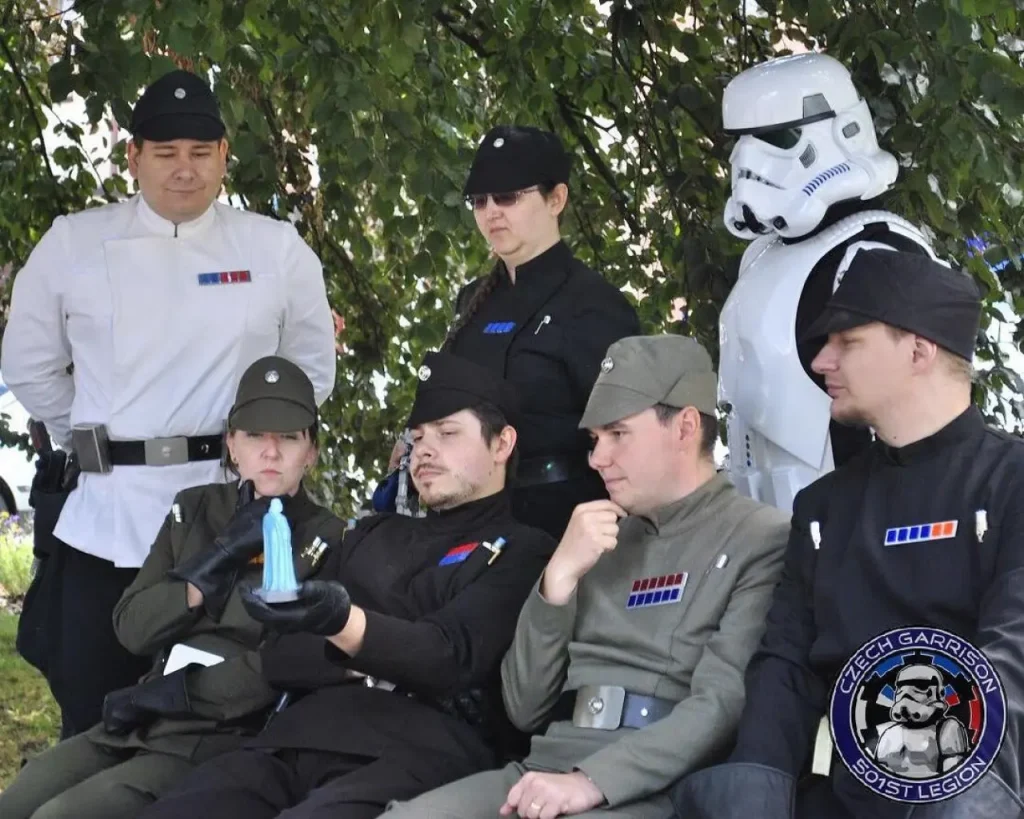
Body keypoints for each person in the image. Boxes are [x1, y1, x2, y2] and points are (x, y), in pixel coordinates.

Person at [1, 67, 336, 736]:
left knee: (220, 725)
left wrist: (253, 451)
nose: (185, 170)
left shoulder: (275, 250)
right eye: (165, 153)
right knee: (94, 719)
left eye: (200, 152)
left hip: (228, 518)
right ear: (133, 157)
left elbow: (308, 375)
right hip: (108, 519)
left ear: (223, 156)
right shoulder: (73, 243)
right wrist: (93, 437)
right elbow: (28, 365)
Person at [674, 249, 1024, 819]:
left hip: (978, 790)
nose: (821, 361)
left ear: (919, 351)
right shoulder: (823, 509)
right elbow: (784, 667)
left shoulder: (1011, 482)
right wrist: (756, 785)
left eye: (848, 341)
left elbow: (1013, 658)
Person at [136, 351, 557, 819]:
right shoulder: (371, 534)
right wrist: (379, 654)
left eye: (447, 433)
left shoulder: (525, 550)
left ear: (502, 444)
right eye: (418, 437)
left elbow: (447, 655)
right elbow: (282, 654)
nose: (424, 450)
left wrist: (342, 623)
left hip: (416, 752)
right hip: (295, 738)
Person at [385, 334, 790, 819]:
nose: (597, 459)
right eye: (596, 440)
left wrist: (593, 781)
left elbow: (720, 705)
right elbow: (525, 707)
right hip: (547, 766)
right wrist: (556, 582)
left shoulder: (758, 536)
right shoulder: (594, 537)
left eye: (618, 434)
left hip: (650, 787)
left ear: (684, 427)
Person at [0, 356, 345, 819]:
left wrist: (174, 694)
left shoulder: (328, 539)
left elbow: (280, 666)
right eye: (254, 435)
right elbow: (132, 627)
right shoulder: (195, 509)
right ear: (232, 444)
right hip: (139, 720)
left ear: (311, 452)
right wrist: (216, 558)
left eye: (288, 437)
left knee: (62, 815)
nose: (270, 451)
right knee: (19, 799)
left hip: (219, 736)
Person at [378, 125, 641, 539]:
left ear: (556, 199)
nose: (491, 212)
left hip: (562, 525)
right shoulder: (472, 301)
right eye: (480, 200)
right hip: (467, 523)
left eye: (508, 197)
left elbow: (629, 436)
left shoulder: (594, 304)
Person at [715, 51, 946, 513]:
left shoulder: (877, 255)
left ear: (845, 130)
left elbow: (926, 426)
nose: (747, 159)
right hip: (771, 533)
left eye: (775, 138)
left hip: (859, 529)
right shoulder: (762, 257)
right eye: (740, 141)